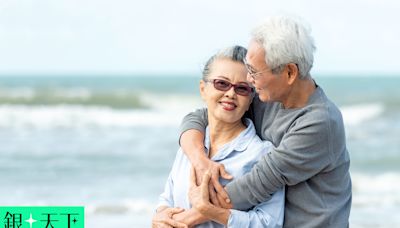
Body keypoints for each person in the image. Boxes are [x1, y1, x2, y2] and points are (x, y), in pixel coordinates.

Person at [179, 16, 352, 227]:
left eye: (254, 72)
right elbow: (199, 117)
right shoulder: (268, 97)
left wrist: (183, 219)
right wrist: (200, 160)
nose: (249, 80)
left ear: (289, 72)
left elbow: (257, 184)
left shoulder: (320, 122)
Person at [153, 46, 285, 228]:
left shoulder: (262, 154)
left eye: (242, 88)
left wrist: (214, 213)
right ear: (203, 89)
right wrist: (160, 216)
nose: (230, 93)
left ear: (250, 100)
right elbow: (167, 198)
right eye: (221, 84)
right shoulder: (190, 146)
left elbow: (270, 223)